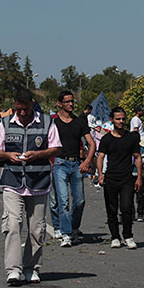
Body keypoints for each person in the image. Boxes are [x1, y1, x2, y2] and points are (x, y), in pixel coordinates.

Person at [0, 87, 61, 285]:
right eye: (18, 109)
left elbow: (56, 147)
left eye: (25, 109)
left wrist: (38, 154)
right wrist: (7, 156)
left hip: (39, 182)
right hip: (13, 182)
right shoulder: (5, 123)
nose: (22, 113)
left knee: (36, 228)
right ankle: (13, 269)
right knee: (13, 224)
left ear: (32, 104)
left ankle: (31, 267)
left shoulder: (47, 122)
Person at [51, 90, 95, 247]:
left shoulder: (79, 122)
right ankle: (66, 233)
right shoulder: (53, 123)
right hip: (59, 164)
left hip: (76, 164)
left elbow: (92, 143)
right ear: (60, 103)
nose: (71, 104)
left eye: (72, 101)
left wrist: (87, 161)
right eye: (67, 101)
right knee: (62, 201)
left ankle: (74, 228)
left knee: (79, 201)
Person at [97, 107, 143, 249]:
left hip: (127, 178)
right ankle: (115, 237)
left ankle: (128, 236)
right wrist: (100, 174)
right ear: (112, 120)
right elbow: (100, 157)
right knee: (112, 209)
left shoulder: (131, 138)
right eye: (118, 119)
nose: (121, 121)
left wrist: (139, 177)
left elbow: (137, 157)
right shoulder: (106, 139)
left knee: (126, 207)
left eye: (123, 119)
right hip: (110, 178)